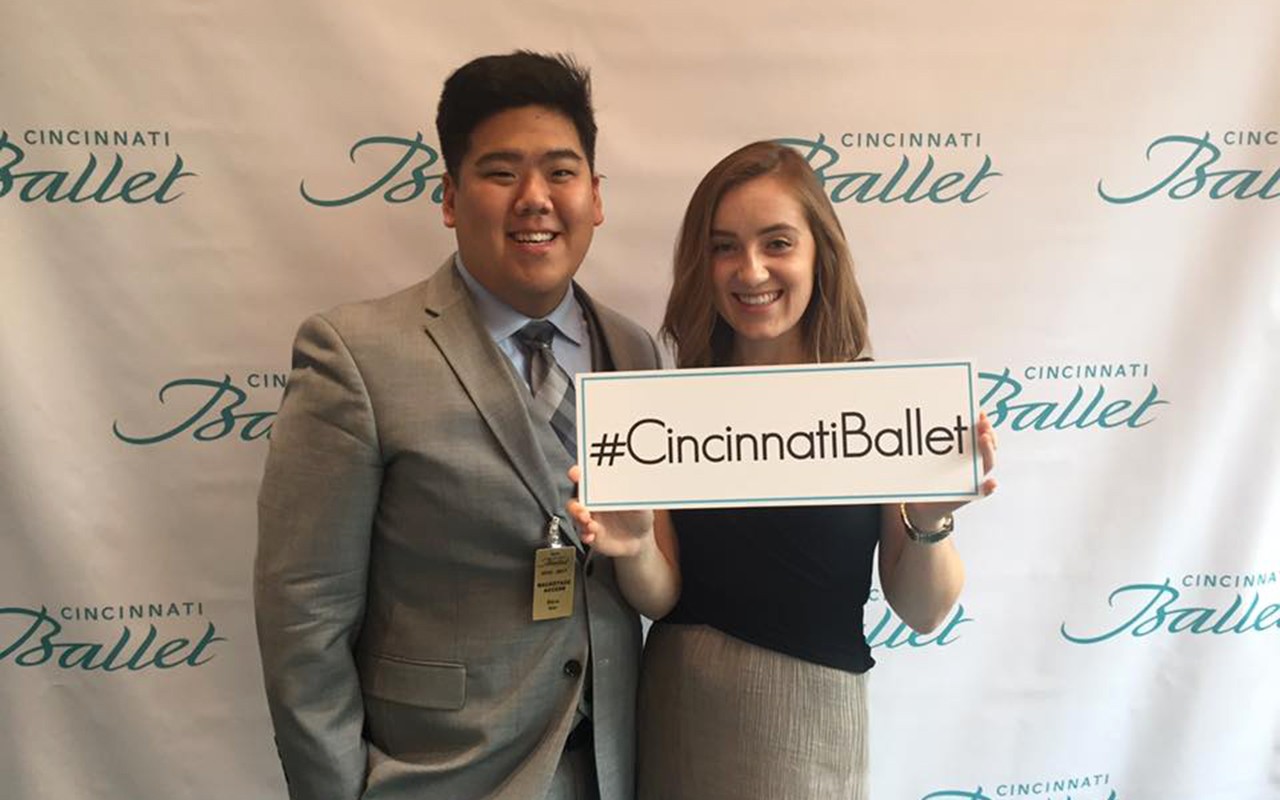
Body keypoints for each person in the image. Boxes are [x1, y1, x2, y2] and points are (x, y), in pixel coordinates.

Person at [254, 52, 661, 800]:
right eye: (502, 172)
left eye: (562, 172)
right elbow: (303, 623)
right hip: (436, 779)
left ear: (596, 197)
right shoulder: (354, 356)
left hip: (610, 772)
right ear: (448, 196)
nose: (535, 198)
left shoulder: (636, 352)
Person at [566, 140, 998, 800]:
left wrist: (933, 521)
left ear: (818, 253)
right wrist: (633, 547)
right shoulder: (671, 406)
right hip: (682, 710)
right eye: (724, 246)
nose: (751, 269)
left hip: (814, 722)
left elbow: (923, 610)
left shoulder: (878, 406)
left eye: (776, 243)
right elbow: (662, 595)